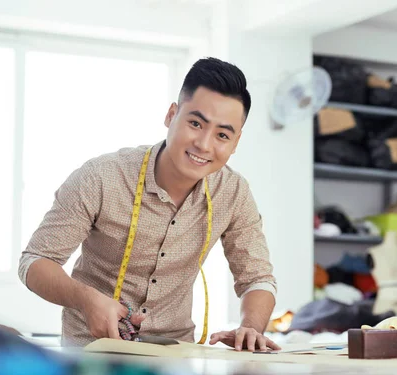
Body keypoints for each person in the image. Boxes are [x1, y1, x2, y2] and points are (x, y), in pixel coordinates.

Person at [18, 57, 280, 352]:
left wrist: (251, 328)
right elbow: (35, 261)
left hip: (177, 354)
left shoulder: (233, 193)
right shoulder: (102, 177)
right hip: (93, 350)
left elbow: (257, 279)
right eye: (195, 123)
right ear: (171, 115)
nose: (204, 145)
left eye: (222, 135)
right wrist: (86, 299)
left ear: (235, 143)